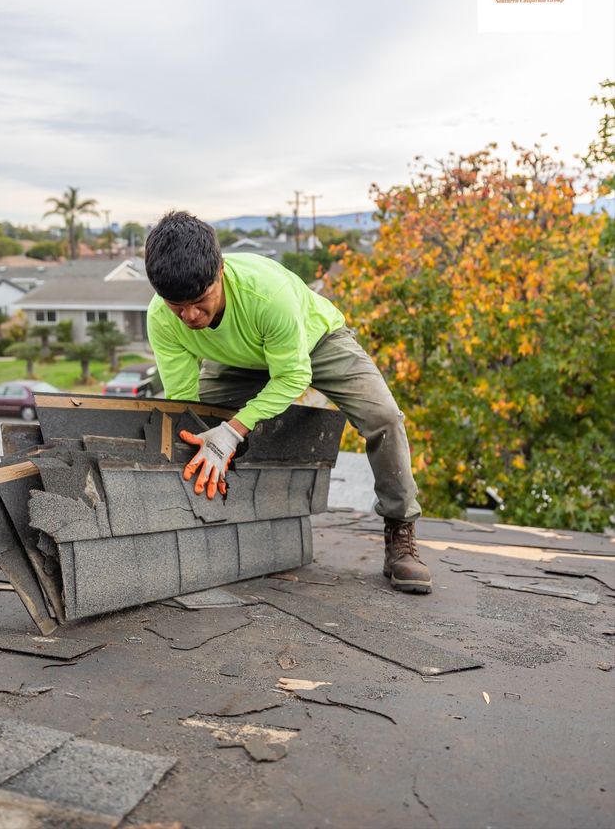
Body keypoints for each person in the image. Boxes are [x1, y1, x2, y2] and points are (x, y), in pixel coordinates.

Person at [145, 210, 432, 594]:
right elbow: (183, 401)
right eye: (177, 306)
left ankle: (400, 529)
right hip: (239, 362)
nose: (191, 316)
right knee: (195, 427)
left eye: (200, 301)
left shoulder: (268, 295)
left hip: (315, 343)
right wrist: (209, 437)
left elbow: (293, 377)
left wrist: (234, 430)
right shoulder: (161, 318)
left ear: (221, 271)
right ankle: (207, 519)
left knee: (384, 417)